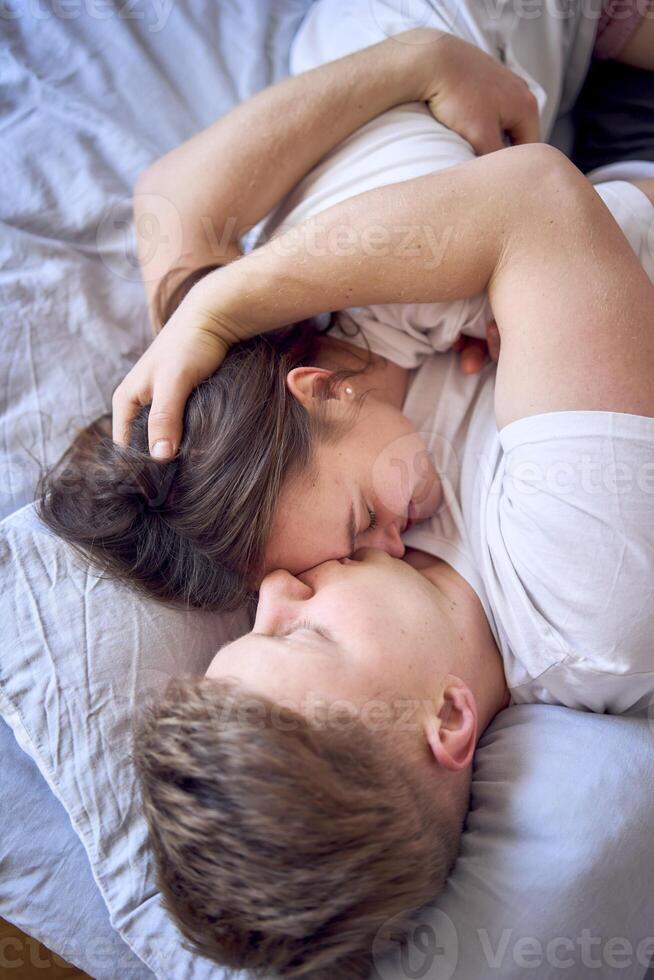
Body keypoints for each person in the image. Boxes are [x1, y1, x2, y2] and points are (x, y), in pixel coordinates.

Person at [133, 142, 654, 978]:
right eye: (299, 638)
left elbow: (170, 202)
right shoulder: (586, 598)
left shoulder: (369, 544)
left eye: (251, 627)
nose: (272, 587)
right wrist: (223, 309)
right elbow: (537, 199)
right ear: (448, 720)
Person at [38, 0, 654, 611]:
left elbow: (578, 218)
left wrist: (422, 58)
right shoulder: (241, 360)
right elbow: (166, 194)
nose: (391, 548)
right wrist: (202, 313)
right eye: (354, 557)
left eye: (362, 521)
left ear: (324, 390)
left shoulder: (439, 292)